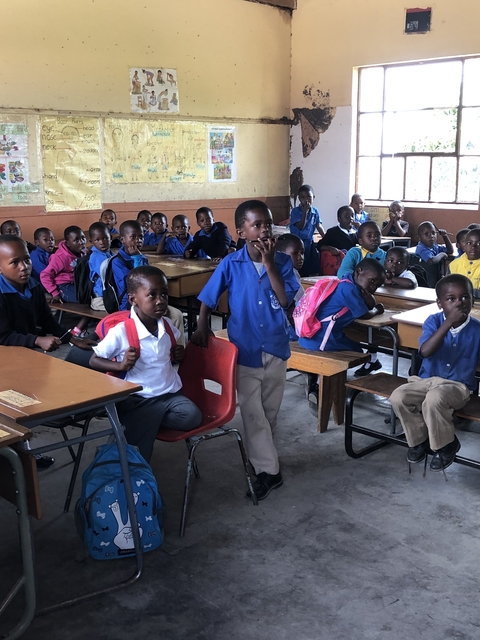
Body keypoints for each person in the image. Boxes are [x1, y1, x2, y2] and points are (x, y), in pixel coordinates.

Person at [192, 200, 299, 501]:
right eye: (257, 225)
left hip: (276, 349)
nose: (264, 229)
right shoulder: (231, 263)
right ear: (241, 231)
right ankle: (270, 471)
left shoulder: (283, 262)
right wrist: (202, 325)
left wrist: (269, 263)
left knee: (269, 412)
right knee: (252, 413)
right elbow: (208, 297)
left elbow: (286, 300)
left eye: (267, 223)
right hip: (245, 351)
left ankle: (263, 460)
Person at [0, 234, 96, 467]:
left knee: (28, 403)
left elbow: (48, 321)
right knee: (13, 410)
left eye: (27, 260)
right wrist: (37, 340)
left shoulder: (32, 286)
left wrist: (72, 339)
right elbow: (3, 336)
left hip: (27, 360)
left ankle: (24, 456)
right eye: (15, 262)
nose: (24, 267)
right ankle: (19, 460)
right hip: (6, 364)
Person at [90, 266, 201, 463]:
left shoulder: (168, 327)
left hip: (169, 395)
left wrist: (178, 354)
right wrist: (121, 366)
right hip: (137, 397)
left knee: (191, 417)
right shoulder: (122, 331)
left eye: (164, 294)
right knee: (136, 456)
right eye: (152, 295)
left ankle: (137, 424)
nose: (160, 301)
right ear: (134, 299)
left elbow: (168, 357)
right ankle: (137, 433)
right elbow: (94, 360)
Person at [389, 274, 480, 472]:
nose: (460, 304)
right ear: (440, 304)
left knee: (434, 398)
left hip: (458, 386)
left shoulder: (477, 329)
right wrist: (448, 323)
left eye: (465, 297)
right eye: (451, 299)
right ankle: (419, 439)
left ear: (472, 300)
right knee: (398, 396)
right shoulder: (433, 321)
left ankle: (446, 445)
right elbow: (425, 352)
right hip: (426, 380)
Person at [111, 220, 185, 344]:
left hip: (149, 301)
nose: (138, 241)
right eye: (133, 237)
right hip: (129, 305)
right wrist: (137, 258)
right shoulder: (117, 262)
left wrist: (160, 304)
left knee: (176, 315)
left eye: (141, 237)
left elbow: (153, 284)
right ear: (122, 239)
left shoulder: (142, 258)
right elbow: (134, 284)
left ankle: (175, 352)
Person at [298, 258, 385, 353]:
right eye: (372, 281)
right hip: (321, 338)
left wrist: (370, 302)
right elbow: (364, 315)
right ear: (358, 272)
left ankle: (372, 362)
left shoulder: (346, 282)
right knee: (357, 351)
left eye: (377, 286)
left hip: (312, 335)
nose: (373, 287)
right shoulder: (349, 289)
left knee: (354, 345)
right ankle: (372, 362)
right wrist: (376, 309)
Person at [40, 225, 87, 303]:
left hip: (77, 283)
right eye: (76, 240)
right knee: (83, 298)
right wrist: (54, 293)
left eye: (83, 238)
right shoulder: (60, 257)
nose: (82, 242)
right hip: (64, 286)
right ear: (68, 243)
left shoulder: (84, 252)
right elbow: (45, 275)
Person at [289, 184, 324, 276]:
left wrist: (326, 238)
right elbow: (300, 226)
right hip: (298, 243)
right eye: (303, 198)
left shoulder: (315, 211)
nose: (306, 200)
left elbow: (318, 225)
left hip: (309, 242)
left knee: (313, 265)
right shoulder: (295, 211)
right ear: (299, 199)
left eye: (309, 197)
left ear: (313, 197)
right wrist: (305, 212)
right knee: (300, 266)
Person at [275, 233, 305, 339]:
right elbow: (303, 301)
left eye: (302, 253)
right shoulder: (291, 273)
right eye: (295, 253)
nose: (300, 257)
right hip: (289, 328)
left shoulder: (277, 270)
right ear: (282, 255)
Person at [88, 222, 114, 311]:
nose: (102, 242)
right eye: (97, 240)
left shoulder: (109, 253)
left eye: (105, 238)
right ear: (91, 242)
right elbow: (108, 274)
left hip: (109, 295)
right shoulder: (96, 257)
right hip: (100, 299)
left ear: (111, 238)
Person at [448, 228, 480, 297]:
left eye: (478, 243)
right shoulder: (453, 265)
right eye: (469, 243)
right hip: (459, 304)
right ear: (464, 246)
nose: (473, 247)